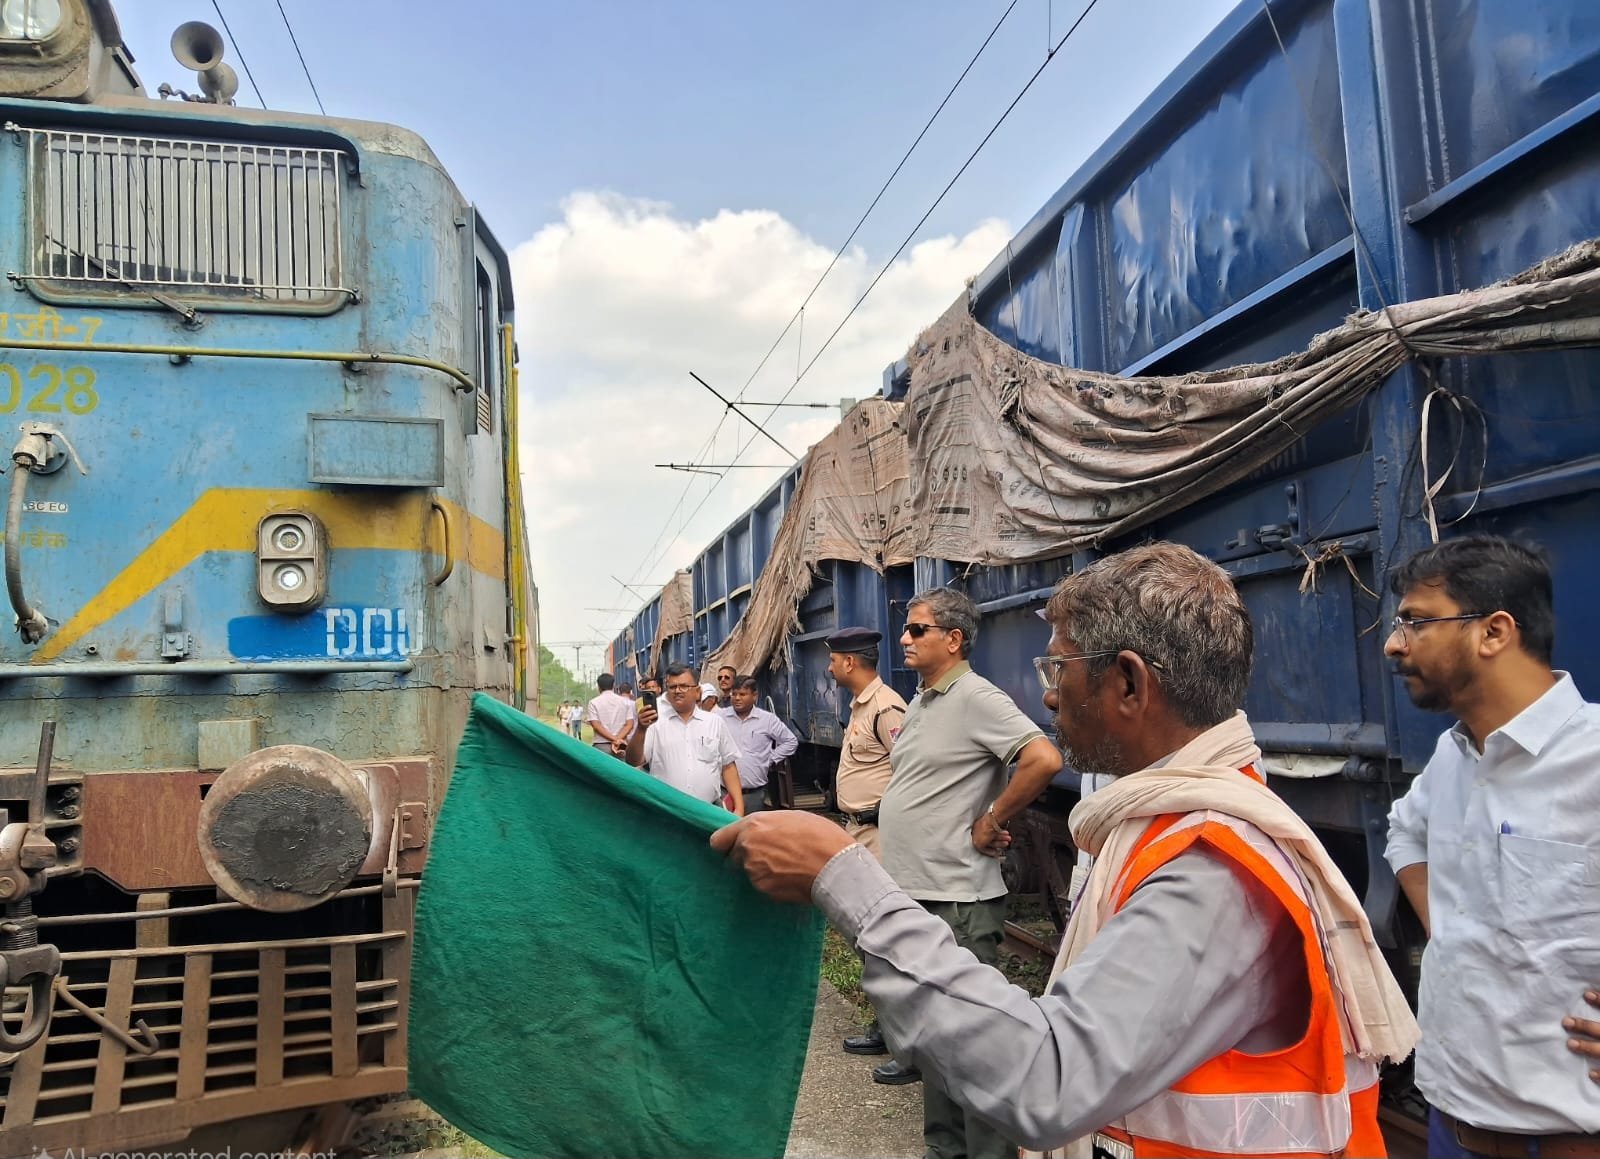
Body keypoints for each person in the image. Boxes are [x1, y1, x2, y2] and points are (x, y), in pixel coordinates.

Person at [712, 543, 1416, 1158]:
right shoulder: (1168, 824)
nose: (1049, 697)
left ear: (1130, 683)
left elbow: (1047, 1079)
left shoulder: (1213, 867)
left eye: (1058, 670)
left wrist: (844, 879)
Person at [1382, 535, 1600, 1155]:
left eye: (1416, 621)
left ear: (1494, 632)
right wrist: (1446, 927)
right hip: (1456, 1123)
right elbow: (1405, 832)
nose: (1395, 644)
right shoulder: (1454, 755)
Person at [870, 587, 1064, 1129]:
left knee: (970, 1045)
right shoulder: (924, 699)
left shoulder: (977, 697)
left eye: (917, 629)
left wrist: (992, 819)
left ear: (953, 639)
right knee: (935, 1039)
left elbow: (1043, 758)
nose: (904, 639)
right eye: (907, 629)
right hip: (920, 894)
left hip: (957, 900)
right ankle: (945, 1147)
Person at [823, 626, 910, 1070]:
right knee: (871, 936)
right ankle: (887, 1026)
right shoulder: (862, 705)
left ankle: (902, 1038)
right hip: (862, 832)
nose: (829, 667)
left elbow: (911, 772)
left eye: (833, 659)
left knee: (886, 936)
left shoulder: (886, 707)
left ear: (850, 662)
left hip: (880, 834)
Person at [627, 663, 743, 814]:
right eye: (672, 687)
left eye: (683, 686)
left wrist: (739, 808)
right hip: (666, 812)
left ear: (697, 691)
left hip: (708, 811)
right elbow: (634, 761)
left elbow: (728, 766)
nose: (677, 691)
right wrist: (641, 729)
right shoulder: (655, 724)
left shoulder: (714, 722)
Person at [717, 675, 797, 814]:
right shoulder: (719, 718)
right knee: (725, 827)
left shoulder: (767, 720)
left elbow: (790, 741)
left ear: (754, 696)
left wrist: (770, 759)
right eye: (734, 694)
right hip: (725, 793)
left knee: (752, 827)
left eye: (742, 694)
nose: (737, 698)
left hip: (754, 794)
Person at [584, 674, 635, 758]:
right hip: (621, 746)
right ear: (613, 685)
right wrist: (617, 739)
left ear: (598, 687)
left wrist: (614, 739)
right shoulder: (625, 702)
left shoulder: (593, 702)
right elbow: (629, 724)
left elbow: (596, 726)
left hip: (601, 745)